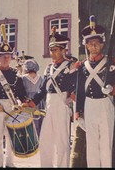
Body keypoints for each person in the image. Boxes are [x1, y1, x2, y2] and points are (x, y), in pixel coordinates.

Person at [75, 15, 115, 167]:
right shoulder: (83, 67)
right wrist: (78, 111)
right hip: (89, 106)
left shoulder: (112, 64)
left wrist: (113, 89)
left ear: (102, 44)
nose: (93, 46)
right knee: (91, 144)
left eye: (96, 43)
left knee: (105, 142)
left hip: (105, 105)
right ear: (86, 46)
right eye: (90, 44)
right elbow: (80, 90)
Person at [23, 32, 77, 167]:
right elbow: (42, 90)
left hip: (61, 104)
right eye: (51, 50)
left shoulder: (70, 66)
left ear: (64, 50)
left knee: (62, 141)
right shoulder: (48, 68)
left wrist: (73, 96)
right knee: (45, 140)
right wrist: (32, 102)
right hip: (48, 106)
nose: (52, 53)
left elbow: (77, 85)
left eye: (55, 50)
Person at [0, 40, 30, 168]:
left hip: (12, 107)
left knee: (11, 137)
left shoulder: (16, 74)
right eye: (3, 57)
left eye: (8, 56)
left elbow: (21, 93)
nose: (6, 59)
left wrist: (24, 102)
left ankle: (10, 163)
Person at [21, 58, 45, 137]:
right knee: (38, 120)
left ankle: (29, 138)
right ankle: (38, 138)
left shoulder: (23, 78)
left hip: (28, 100)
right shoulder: (40, 78)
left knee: (28, 120)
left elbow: (22, 91)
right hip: (38, 100)